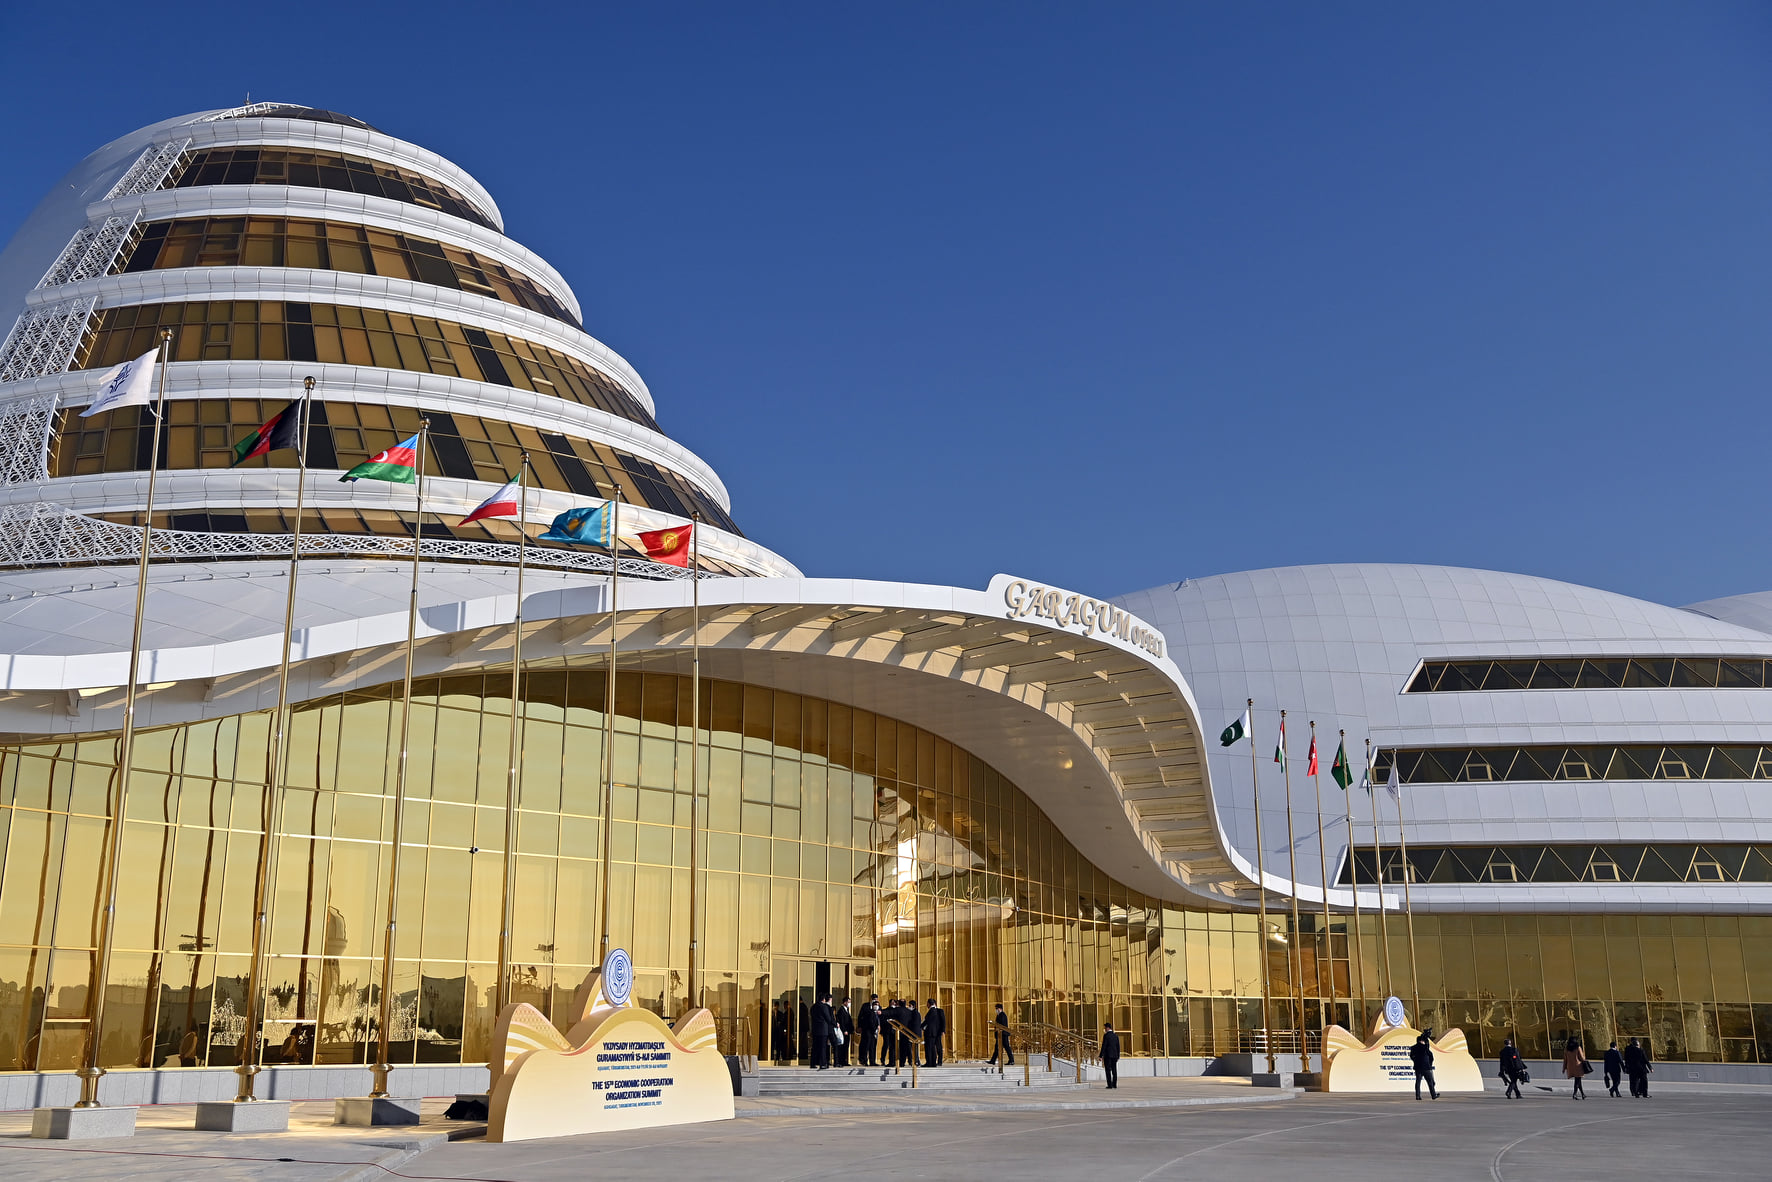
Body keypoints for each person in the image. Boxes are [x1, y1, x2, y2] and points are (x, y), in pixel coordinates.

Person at [1409, 1032, 1438, 1100]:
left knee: (1418, 1082)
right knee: (1430, 1082)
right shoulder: (1424, 1047)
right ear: (1422, 1041)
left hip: (1417, 1067)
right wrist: (1429, 1064)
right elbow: (1430, 1055)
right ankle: (1433, 1095)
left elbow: (1411, 1056)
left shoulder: (1413, 1047)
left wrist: (1415, 1061)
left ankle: (1418, 1096)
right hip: (1426, 1067)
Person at [810, 993, 835, 1070]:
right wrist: (833, 1023)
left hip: (815, 1029)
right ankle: (822, 1063)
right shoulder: (823, 1007)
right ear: (824, 999)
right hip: (823, 1030)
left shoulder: (813, 1007)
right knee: (822, 1047)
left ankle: (813, 1063)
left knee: (814, 1047)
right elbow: (828, 1018)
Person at [987, 1002, 1014, 1066]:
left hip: (1003, 1034)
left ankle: (1011, 1060)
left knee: (1007, 1047)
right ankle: (993, 1060)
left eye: (997, 1009)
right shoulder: (999, 1015)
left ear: (1000, 1009)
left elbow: (1002, 1025)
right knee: (997, 1048)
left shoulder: (1002, 1015)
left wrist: (998, 1028)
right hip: (1000, 1035)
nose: (996, 1010)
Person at [858, 994, 880, 1066]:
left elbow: (878, 1020)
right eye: (875, 1004)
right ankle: (864, 1060)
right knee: (866, 1045)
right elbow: (869, 1021)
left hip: (874, 1031)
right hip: (868, 1031)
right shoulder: (869, 1011)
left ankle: (872, 1061)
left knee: (873, 1046)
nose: (877, 1006)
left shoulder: (876, 1012)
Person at [900, 999, 923, 1068]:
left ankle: (915, 1061)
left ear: (913, 1006)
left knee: (913, 1049)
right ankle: (911, 1061)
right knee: (910, 1048)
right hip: (912, 1034)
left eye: (909, 1005)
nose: (908, 1007)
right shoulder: (913, 1013)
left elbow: (914, 1025)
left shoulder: (915, 1013)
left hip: (913, 1034)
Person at [924, 998, 946, 1067]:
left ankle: (939, 1061)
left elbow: (943, 1021)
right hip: (933, 1032)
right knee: (932, 1047)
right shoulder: (931, 1011)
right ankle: (933, 1061)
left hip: (937, 1032)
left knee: (938, 1046)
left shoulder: (939, 1011)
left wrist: (943, 1030)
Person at [835, 998, 855, 1067]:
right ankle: (841, 1061)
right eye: (848, 1002)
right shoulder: (841, 1010)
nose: (849, 1004)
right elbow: (842, 1021)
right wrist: (844, 1030)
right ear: (845, 1002)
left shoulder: (846, 1010)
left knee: (846, 1046)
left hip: (848, 1031)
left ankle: (844, 1060)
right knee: (843, 1047)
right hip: (844, 1031)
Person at [1101, 1022, 1122, 1089]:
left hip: (1108, 1055)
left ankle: (1109, 1084)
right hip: (1114, 1056)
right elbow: (1118, 1046)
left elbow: (1104, 1046)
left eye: (1105, 1028)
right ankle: (1114, 1084)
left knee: (1108, 1070)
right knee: (1114, 1070)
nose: (1104, 1029)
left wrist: (1101, 1055)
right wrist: (1118, 1055)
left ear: (1107, 1028)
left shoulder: (1106, 1036)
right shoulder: (1115, 1036)